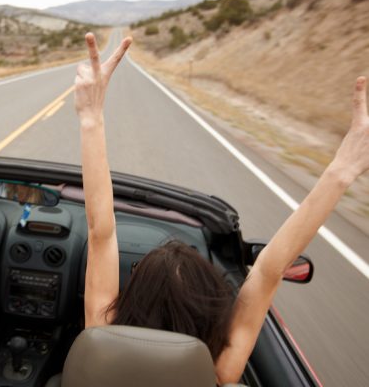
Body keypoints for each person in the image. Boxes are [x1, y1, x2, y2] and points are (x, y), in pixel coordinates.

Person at [75, 32, 369, 384]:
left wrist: (91, 116)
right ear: (212, 316)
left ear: (132, 299)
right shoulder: (221, 370)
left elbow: (100, 234)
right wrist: (342, 170)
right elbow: (267, 271)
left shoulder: (99, 339)